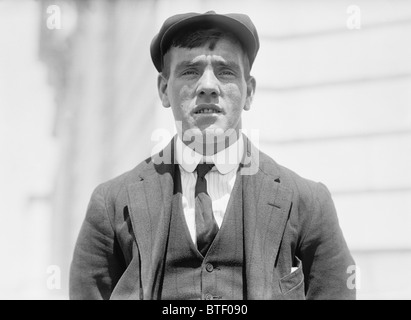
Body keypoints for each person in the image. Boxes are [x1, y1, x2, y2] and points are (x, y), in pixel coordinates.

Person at [69, 11, 356, 300]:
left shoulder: (307, 204)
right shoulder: (111, 205)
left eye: (225, 71)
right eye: (190, 71)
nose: (207, 86)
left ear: (249, 93)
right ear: (164, 90)